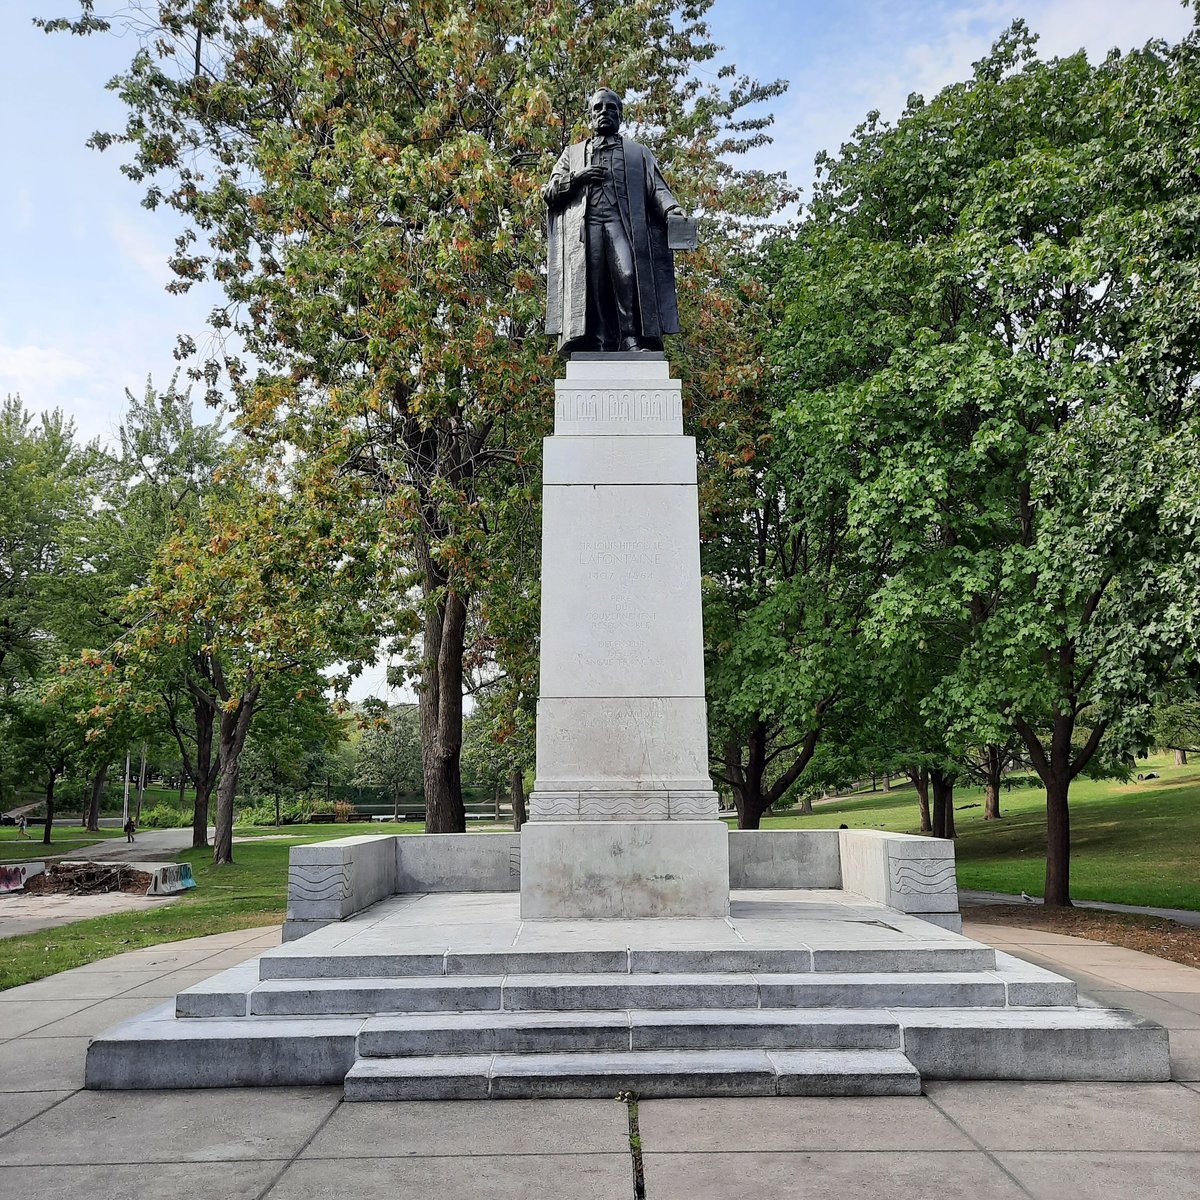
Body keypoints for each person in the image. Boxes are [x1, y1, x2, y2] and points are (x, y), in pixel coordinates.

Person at [543, 88, 690, 354]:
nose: (604, 113)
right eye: (598, 108)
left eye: (611, 108)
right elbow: (549, 192)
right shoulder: (573, 154)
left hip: (620, 224)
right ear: (590, 116)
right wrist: (578, 178)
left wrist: (672, 210)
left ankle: (630, 339)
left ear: (620, 115)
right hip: (586, 229)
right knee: (594, 283)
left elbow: (657, 189)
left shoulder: (637, 154)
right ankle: (600, 341)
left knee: (627, 275)